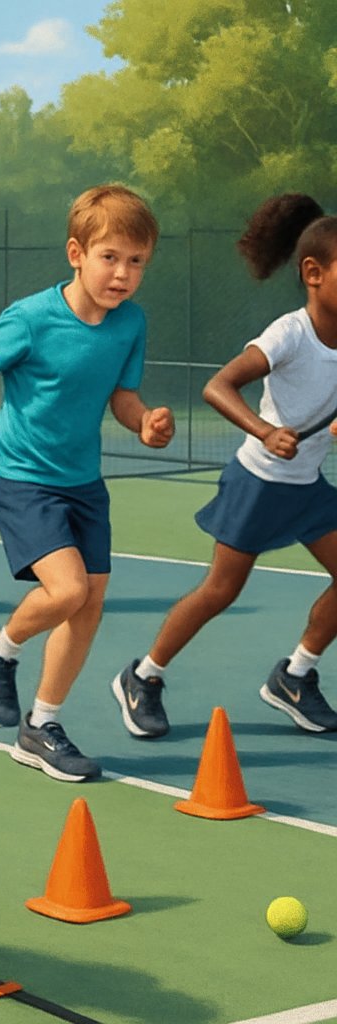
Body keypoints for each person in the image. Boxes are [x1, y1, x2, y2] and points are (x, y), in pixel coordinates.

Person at [0, 184, 175, 782]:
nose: (122, 273)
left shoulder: (130, 324)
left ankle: (40, 725)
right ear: (76, 253)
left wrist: (144, 421)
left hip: (83, 480)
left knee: (89, 602)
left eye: (136, 262)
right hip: (21, 476)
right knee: (68, 589)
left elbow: (121, 396)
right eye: (110, 257)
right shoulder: (31, 318)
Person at [112, 193, 337, 737]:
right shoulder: (289, 334)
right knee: (221, 591)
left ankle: (294, 675)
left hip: (306, 485)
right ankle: (143, 676)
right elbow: (218, 385)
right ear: (313, 273)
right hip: (258, 482)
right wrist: (265, 430)